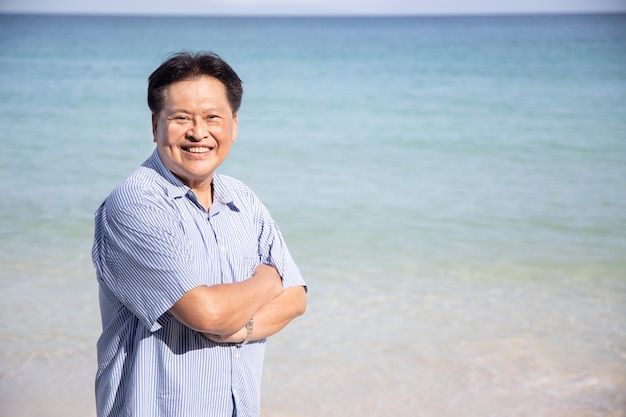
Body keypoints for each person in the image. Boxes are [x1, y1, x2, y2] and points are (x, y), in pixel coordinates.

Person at [92, 51, 307, 417]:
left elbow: (296, 299)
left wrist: (242, 328)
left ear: (234, 125)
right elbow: (207, 315)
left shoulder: (243, 200)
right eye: (181, 118)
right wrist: (269, 279)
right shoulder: (135, 204)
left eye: (213, 117)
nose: (198, 132)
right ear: (155, 124)